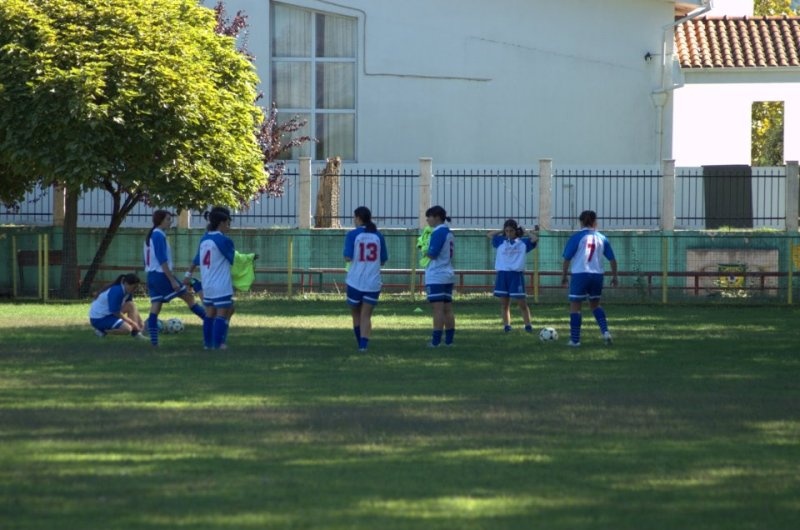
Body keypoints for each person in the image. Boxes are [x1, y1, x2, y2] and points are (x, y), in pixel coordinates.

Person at [144, 209, 206, 347]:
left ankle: (154, 343)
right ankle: (211, 325)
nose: (170, 221)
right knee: (189, 298)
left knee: (156, 307)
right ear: (160, 221)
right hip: (161, 275)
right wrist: (172, 280)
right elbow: (162, 260)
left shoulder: (151, 235)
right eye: (168, 219)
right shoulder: (159, 235)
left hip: (152, 275)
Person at [561, 210, 618, 346]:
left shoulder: (577, 237)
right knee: (595, 305)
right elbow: (612, 259)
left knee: (575, 307)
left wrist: (564, 276)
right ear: (595, 222)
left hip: (581, 274)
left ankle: (575, 340)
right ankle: (605, 332)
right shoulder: (602, 238)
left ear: (581, 222)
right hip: (597, 275)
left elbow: (567, 258)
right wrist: (615, 276)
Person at [185, 208, 235, 349]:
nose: (229, 226)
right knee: (222, 313)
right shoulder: (224, 240)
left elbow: (196, 259)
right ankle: (218, 343)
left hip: (207, 283)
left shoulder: (204, 239)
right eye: (228, 223)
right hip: (221, 283)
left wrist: (187, 275)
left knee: (209, 313)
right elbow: (233, 259)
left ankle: (207, 344)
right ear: (221, 223)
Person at [343, 206, 388, 352]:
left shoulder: (352, 235)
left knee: (356, 313)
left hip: (355, 281)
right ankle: (363, 345)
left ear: (358, 218)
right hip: (373, 282)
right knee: (366, 315)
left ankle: (359, 343)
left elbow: (347, 257)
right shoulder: (378, 235)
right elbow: (382, 260)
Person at [487, 219, 537, 333]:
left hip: (516, 275)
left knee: (522, 303)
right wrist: (501, 230)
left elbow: (535, 239)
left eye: (511, 231)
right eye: (507, 231)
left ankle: (528, 325)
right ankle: (507, 326)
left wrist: (525, 231)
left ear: (516, 231)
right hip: (502, 275)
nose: (509, 233)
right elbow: (489, 235)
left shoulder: (523, 243)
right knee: (504, 304)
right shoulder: (501, 241)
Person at [423, 205, 456, 347]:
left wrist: (424, 250)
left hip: (436, 275)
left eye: (429, 217)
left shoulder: (438, 233)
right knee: (448, 309)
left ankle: (436, 341)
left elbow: (432, 253)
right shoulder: (448, 232)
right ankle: (449, 341)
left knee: (438, 309)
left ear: (436, 217)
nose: (427, 220)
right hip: (448, 273)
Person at [88, 273, 147, 340]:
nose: (135, 289)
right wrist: (132, 322)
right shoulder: (117, 291)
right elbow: (115, 312)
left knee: (130, 304)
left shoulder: (128, 291)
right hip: (99, 319)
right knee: (127, 329)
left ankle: (136, 334)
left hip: (109, 314)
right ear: (126, 284)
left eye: (136, 287)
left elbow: (131, 306)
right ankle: (101, 331)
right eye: (134, 287)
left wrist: (140, 321)